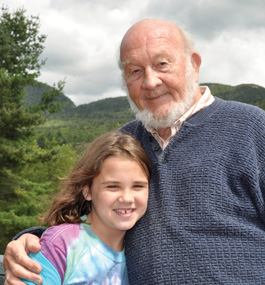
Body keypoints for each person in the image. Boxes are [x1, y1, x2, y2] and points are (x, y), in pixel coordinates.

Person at [4, 18, 265, 284]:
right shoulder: (122, 144)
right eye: (135, 71)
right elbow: (81, 215)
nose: (151, 82)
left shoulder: (252, 128)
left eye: (162, 64)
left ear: (193, 65)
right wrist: (30, 241)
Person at [8, 131, 151, 285]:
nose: (127, 198)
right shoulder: (61, 245)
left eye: (138, 186)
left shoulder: (141, 253)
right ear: (87, 190)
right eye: (113, 186)